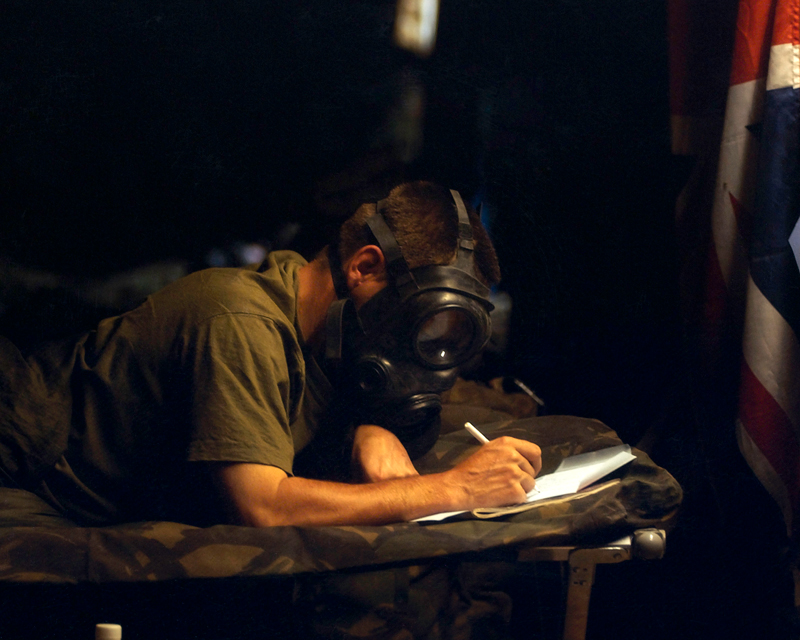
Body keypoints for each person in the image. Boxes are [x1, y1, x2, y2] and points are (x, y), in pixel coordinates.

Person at [0, 181, 541, 527]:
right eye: (418, 326)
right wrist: (451, 488)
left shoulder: (316, 319)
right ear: (365, 268)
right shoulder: (241, 322)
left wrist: (370, 427)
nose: (421, 357)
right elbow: (263, 505)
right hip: (35, 483)